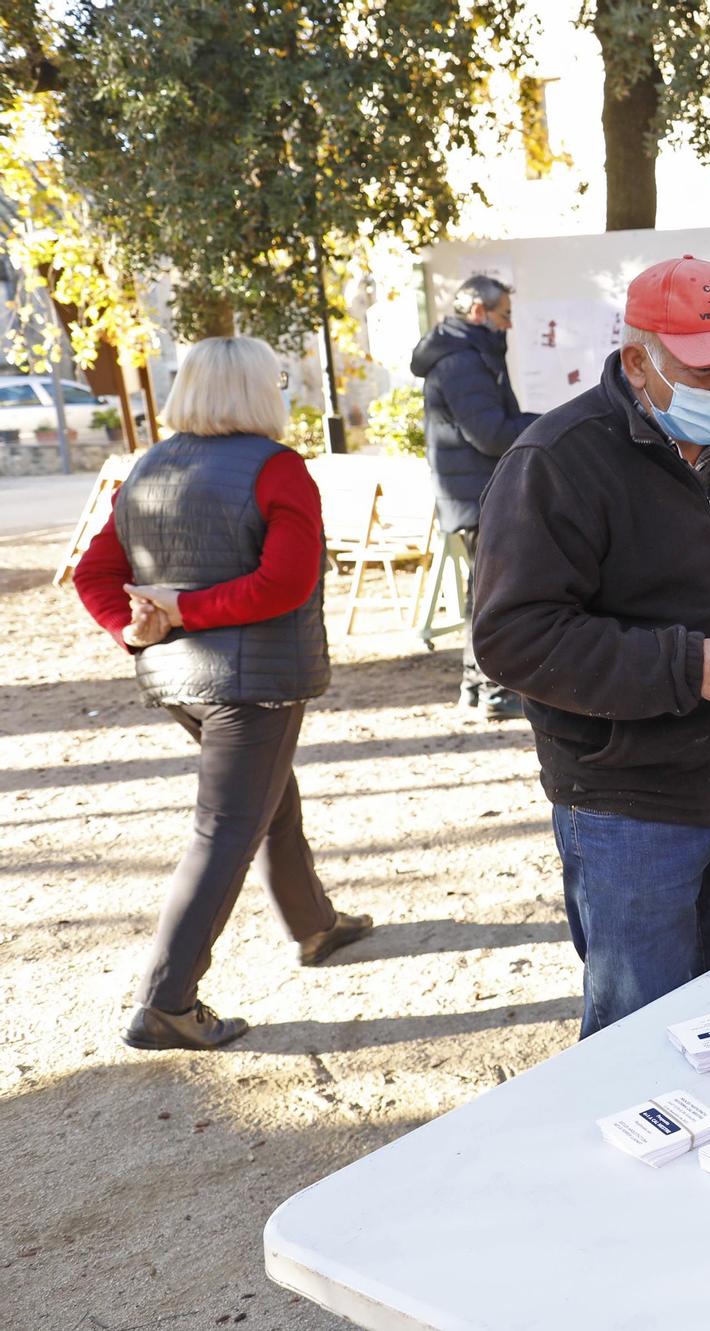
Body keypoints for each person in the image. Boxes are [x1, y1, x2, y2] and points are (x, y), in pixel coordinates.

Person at [471, 255, 710, 1039]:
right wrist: (689, 666)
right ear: (638, 361)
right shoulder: (557, 462)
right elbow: (512, 636)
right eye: (706, 369)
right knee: (640, 1037)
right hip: (630, 808)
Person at [72, 336, 372, 1051]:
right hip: (254, 682)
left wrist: (138, 629)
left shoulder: (145, 467)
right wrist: (177, 613)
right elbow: (285, 584)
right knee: (225, 828)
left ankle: (314, 925)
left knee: (266, 798)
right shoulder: (278, 468)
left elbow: (94, 575)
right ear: (259, 391)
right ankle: (165, 1001)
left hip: (180, 680)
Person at [410, 274, 539, 720]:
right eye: (504, 315)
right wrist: (548, 426)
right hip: (478, 493)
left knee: (482, 593)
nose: (508, 326)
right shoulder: (462, 361)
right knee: (496, 594)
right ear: (479, 312)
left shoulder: (460, 354)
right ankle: (497, 691)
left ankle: (475, 685)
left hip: (469, 491)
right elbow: (490, 433)